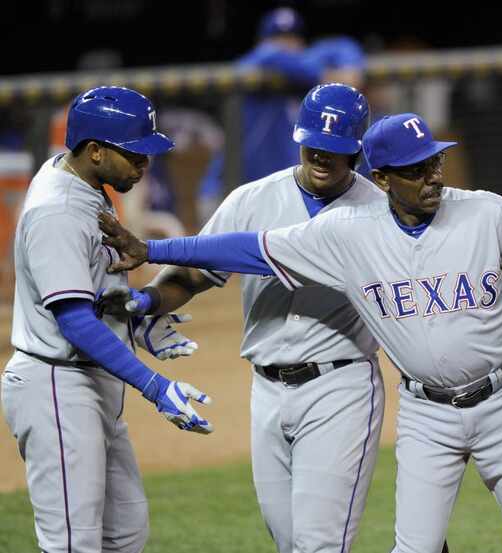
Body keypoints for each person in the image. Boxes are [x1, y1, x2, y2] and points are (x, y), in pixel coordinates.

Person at [98, 112, 502, 553]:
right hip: (426, 415)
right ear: (384, 178)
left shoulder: (486, 212)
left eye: (435, 162)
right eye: (416, 170)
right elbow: (247, 248)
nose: (433, 177)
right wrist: (154, 252)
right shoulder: (349, 233)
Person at [95, 83, 386, 553]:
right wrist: (147, 302)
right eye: (314, 144)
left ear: (356, 152)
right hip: (267, 392)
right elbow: (194, 275)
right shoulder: (253, 199)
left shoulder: (376, 213)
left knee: (320, 545)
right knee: (289, 540)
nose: (321, 156)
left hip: (341, 388)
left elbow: (248, 252)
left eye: (335, 150)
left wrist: (151, 250)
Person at [0, 86, 211, 553]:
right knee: (74, 543)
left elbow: (93, 281)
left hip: (87, 381)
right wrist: (155, 387)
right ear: (94, 150)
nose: (144, 165)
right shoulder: (57, 211)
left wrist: (135, 315)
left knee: (125, 533)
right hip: (57, 384)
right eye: (134, 155)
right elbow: (73, 320)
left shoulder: (85, 183)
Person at [197, 6, 366, 221]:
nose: (286, 44)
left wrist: (350, 67)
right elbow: (268, 56)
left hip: (265, 200)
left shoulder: (300, 81)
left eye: (292, 37)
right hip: (225, 195)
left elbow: (343, 45)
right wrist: (324, 74)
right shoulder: (253, 68)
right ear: (262, 41)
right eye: (277, 37)